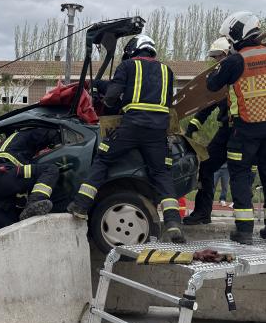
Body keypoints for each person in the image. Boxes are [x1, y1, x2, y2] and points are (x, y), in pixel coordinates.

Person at [67, 34, 186, 243]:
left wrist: (109, 98)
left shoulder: (128, 66)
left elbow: (112, 97)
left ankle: (81, 205)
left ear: (132, 50)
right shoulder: (167, 71)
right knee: (161, 174)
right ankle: (174, 222)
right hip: (158, 132)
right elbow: (166, 103)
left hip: (131, 128)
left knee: (103, 159)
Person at [206, 12, 266, 244]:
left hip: (245, 130)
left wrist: (221, 66)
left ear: (237, 35)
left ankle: (244, 231)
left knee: (241, 177)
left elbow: (212, 85)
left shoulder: (235, 61)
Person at [183, 37, 231, 225]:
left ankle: (203, 212)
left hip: (233, 130)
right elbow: (208, 105)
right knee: (208, 166)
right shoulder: (227, 78)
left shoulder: (231, 75)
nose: (216, 61)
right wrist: (193, 125)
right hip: (236, 130)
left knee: (209, 166)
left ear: (227, 54)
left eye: (218, 57)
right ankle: (203, 212)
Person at [0, 127, 60, 227]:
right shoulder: (27, 134)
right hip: (3, 173)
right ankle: (34, 201)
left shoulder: (11, 144)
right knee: (50, 169)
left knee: (12, 228)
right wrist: (57, 143)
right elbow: (49, 133)